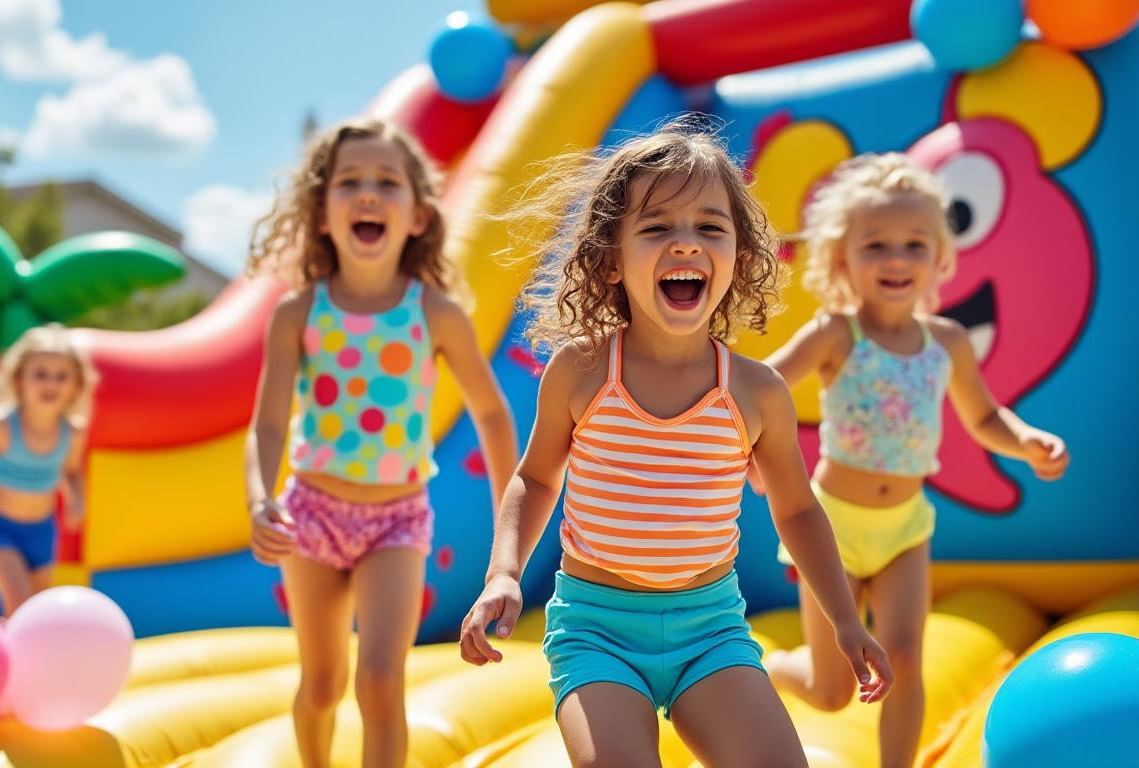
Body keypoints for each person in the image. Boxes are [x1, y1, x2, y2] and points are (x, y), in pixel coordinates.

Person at [458, 120, 891, 768]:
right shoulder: (582, 371)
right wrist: (504, 574)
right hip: (597, 632)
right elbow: (537, 478)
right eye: (657, 227)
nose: (685, 243)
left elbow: (797, 509)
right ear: (610, 257)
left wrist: (844, 622)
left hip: (709, 631)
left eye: (710, 227)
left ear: (740, 257)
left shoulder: (754, 391)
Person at [762, 153, 1068, 767]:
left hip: (906, 527)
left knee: (904, 657)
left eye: (914, 244)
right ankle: (772, 667)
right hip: (831, 528)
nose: (897, 258)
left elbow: (984, 418)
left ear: (939, 257)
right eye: (876, 245)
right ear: (842, 258)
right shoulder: (836, 334)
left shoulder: (947, 343)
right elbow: (765, 386)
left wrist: (1026, 439)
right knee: (832, 690)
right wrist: (747, 446)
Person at [244, 117, 518, 768]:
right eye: (350, 182)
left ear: (418, 217)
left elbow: (493, 413)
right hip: (310, 512)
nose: (368, 194)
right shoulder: (299, 312)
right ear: (320, 213)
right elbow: (269, 424)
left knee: (379, 679)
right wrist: (259, 500)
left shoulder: (434, 313)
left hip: (397, 519)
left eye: (387, 183)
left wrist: (512, 532)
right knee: (322, 685)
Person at [0, 324, 95, 617]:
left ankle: (14, 650)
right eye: (40, 374)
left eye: (61, 376)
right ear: (19, 379)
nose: (51, 383)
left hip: (42, 531)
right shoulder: (0, 425)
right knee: (20, 604)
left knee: (36, 612)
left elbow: (72, 470)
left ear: (76, 384)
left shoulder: (72, 433)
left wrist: (78, 499)